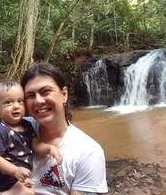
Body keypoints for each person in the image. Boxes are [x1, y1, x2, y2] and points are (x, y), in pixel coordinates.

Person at [17, 62, 108, 195]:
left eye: (45, 92)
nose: (38, 101)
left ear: (64, 94)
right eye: (30, 96)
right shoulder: (17, 130)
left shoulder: (89, 152)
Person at [0, 80, 62, 195]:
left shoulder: (27, 124)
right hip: (0, 179)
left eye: (20, 101)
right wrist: (15, 171)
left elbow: (35, 144)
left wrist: (49, 149)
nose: (16, 106)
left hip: (17, 177)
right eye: (8, 102)